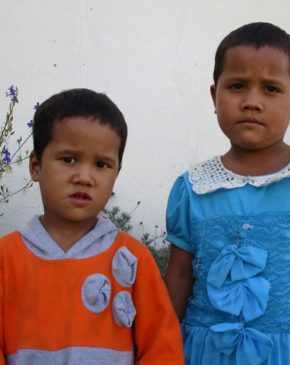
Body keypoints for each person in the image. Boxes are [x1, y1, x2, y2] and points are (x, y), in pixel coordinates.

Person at [165, 22, 290, 365]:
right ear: (215, 96)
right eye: (237, 86)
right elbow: (178, 277)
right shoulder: (192, 187)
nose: (252, 102)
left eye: (271, 89)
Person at [0, 88, 184, 365]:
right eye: (69, 159)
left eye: (101, 164)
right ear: (35, 166)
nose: (84, 177)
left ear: (116, 174)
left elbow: (162, 347)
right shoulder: (6, 258)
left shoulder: (133, 259)